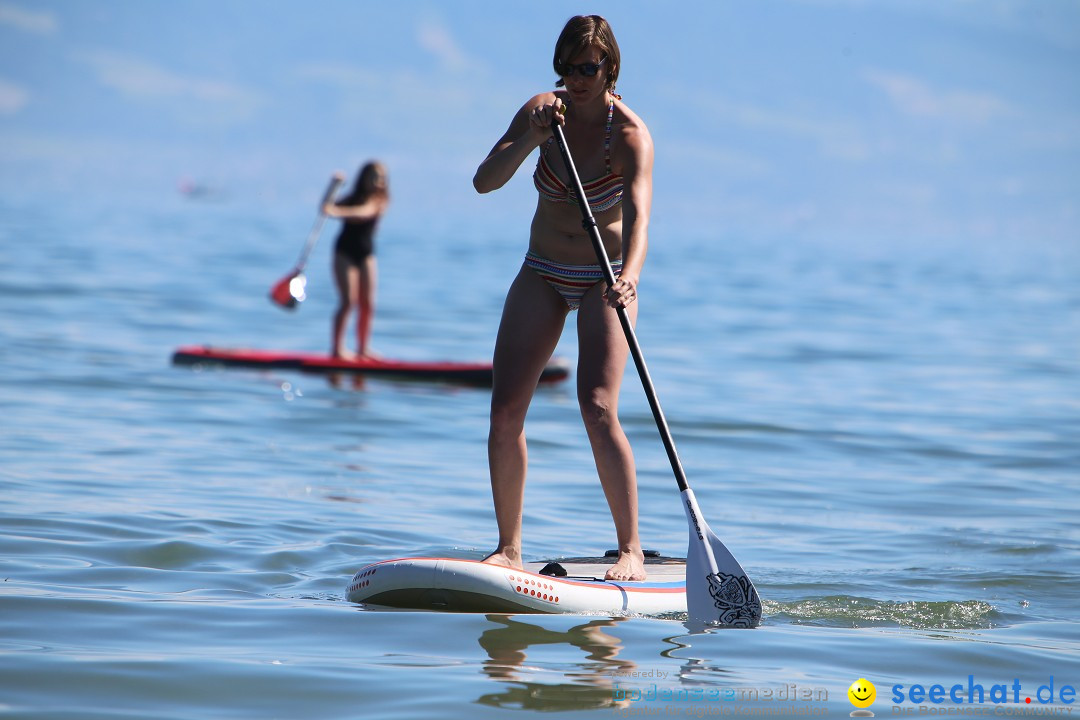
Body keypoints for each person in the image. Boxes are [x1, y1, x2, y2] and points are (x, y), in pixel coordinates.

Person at [473, 15, 654, 581]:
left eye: (587, 69)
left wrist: (632, 278)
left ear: (610, 69)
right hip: (543, 271)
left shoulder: (629, 135)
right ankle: (509, 547)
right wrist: (531, 137)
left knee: (597, 407)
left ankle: (631, 550)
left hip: (607, 278)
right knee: (505, 412)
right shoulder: (540, 111)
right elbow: (484, 181)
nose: (574, 79)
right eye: (567, 68)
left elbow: (642, 216)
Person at [321, 161, 390, 360]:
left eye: (381, 178)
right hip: (344, 252)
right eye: (373, 176)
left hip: (366, 253)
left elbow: (363, 213)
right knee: (347, 302)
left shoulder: (379, 201)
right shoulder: (351, 198)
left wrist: (336, 213)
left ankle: (363, 348)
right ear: (364, 178)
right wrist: (333, 186)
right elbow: (325, 207)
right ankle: (337, 349)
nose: (377, 181)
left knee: (368, 303)